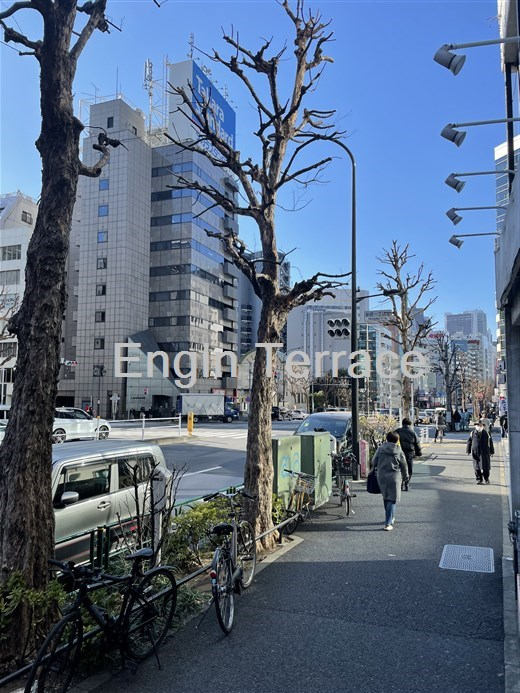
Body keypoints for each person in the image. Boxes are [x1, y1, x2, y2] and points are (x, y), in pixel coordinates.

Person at [370, 431, 409, 531]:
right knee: (392, 499)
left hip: (381, 476)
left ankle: (391, 517)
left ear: (387, 439)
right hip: (394, 477)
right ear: (397, 440)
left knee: (386, 497)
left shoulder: (381, 448)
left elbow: (374, 461)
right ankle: (388, 523)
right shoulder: (398, 450)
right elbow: (404, 464)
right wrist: (406, 477)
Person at [395, 417, 422, 490]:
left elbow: (392, 440)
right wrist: (419, 453)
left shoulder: (397, 431)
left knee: (400, 468)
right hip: (409, 453)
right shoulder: (412, 433)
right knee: (409, 469)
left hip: (399, 453)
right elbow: (417, 443)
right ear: (409, 424)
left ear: (402, 424)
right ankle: (406, 483)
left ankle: (400, 484)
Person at [466, 420, 495, 484]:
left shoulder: (487, 433)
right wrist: (468, 450)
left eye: (480, 425)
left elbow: (490, 442)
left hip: (485, 451)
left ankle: (486, 478)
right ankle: (479, 479)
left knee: (486, 467)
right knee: (476, 467)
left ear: (482, 426)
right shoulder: (472, 433)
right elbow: (469, 442)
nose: (479, 426)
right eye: (477, 425)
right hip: (476, 452)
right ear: (475, 426)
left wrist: (492, 451)